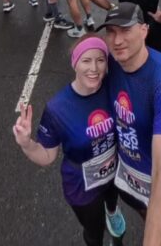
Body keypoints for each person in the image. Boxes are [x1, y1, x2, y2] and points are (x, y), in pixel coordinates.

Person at [98, 3, 161, 246]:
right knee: (158, 229)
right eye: (111, 32)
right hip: (130, 179)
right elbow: (84, 49)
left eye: (125, 30)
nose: (117, 40)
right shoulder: (109, 63)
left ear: (144, 30)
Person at [13, 37, 128, 245]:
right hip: (82, 186)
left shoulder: (112, 88)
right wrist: (26, 143)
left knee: (112, 200)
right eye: (86, 61)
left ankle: (112, 211)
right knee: (94, 231)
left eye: (100, 60)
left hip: (114, 170)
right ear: (74, 63)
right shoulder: (57, 108)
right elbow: (47, 156)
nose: (94, 68)